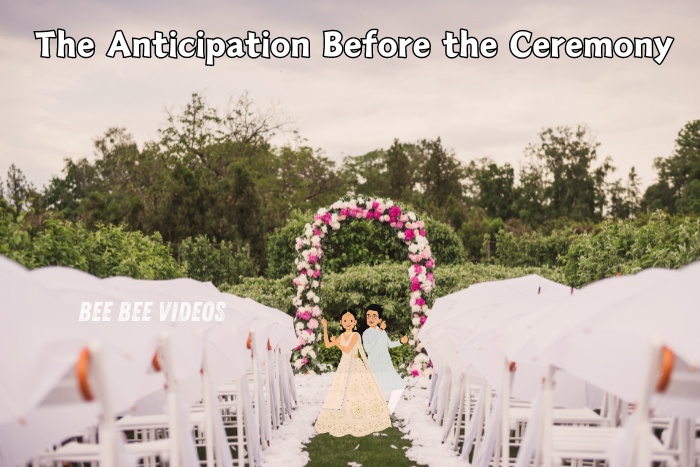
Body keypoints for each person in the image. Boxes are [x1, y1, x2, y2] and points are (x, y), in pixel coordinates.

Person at [314, 310, 391, 437]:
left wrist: (337, 342)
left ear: (354, 322)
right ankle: (344, 414)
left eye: (350, 321)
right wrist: (325, 328)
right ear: (341, 323)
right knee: (342, 390)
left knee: (357, 390)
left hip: (355, 364)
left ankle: (360, 414)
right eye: (345, 321)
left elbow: (348, 349)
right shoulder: (342, 335)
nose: (348, 323)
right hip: (344, 365)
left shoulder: (355, 335)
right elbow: (328, 345)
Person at [362, 304, 408, 414]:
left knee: (399, 387)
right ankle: (372, 411)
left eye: (374, 316)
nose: (371, 319)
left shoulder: (382, 332)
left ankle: (388, 411)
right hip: (374, 366)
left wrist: (401, 342)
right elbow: (368, 349)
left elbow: (389, 345)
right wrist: (380, 331)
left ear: (379, 319)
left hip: (386, 365)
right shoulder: (366, 333)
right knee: (375, 390)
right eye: (368, 316)